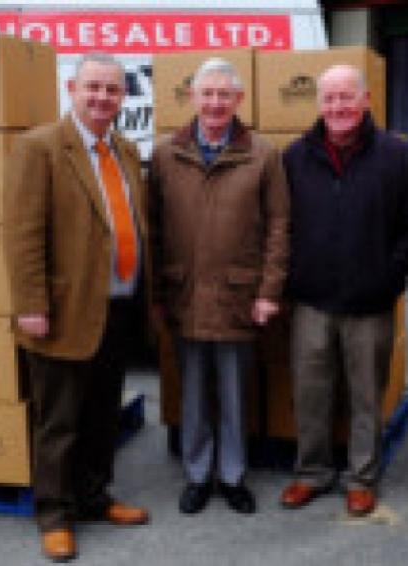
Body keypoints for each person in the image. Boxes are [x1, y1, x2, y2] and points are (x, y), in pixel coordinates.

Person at [3, 53, 150, 562]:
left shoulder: (125, 150)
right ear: (72, 88)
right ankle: (54, 514)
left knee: (101, 414)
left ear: (123, 97)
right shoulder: (40, 147)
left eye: (112, 90)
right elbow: (22, 234)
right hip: (61, 310)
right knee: (59, 420)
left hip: (117, 306)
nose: (102, 98)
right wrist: (30, 304)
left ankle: (93, 497)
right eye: (94, 88)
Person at [279, 64, 408, 517]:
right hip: (311, 300)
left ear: (366, 101)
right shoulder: (295, 157)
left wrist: (390, 277)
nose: (338, 107)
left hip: (370, 303)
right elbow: (281, 225)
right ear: (319, 104)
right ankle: (311, 473)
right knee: (311, 393)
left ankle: (361, 479)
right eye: (330, 99)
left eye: (347, 98)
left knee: (365, 395)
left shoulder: (397, 157)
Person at [148, 57, 289, 516]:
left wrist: (269, 291)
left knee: (233, 393)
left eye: (223, 95)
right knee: (191, 393)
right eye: (206, 94)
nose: (214, 103)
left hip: (237, 296)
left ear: (238, 100)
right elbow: (151, 226)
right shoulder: (167, 153)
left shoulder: (263, 155)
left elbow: (279, 227)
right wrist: (153, 295)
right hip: (183, 294)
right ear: (193, 97)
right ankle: (196, 474)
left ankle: (232, 476)